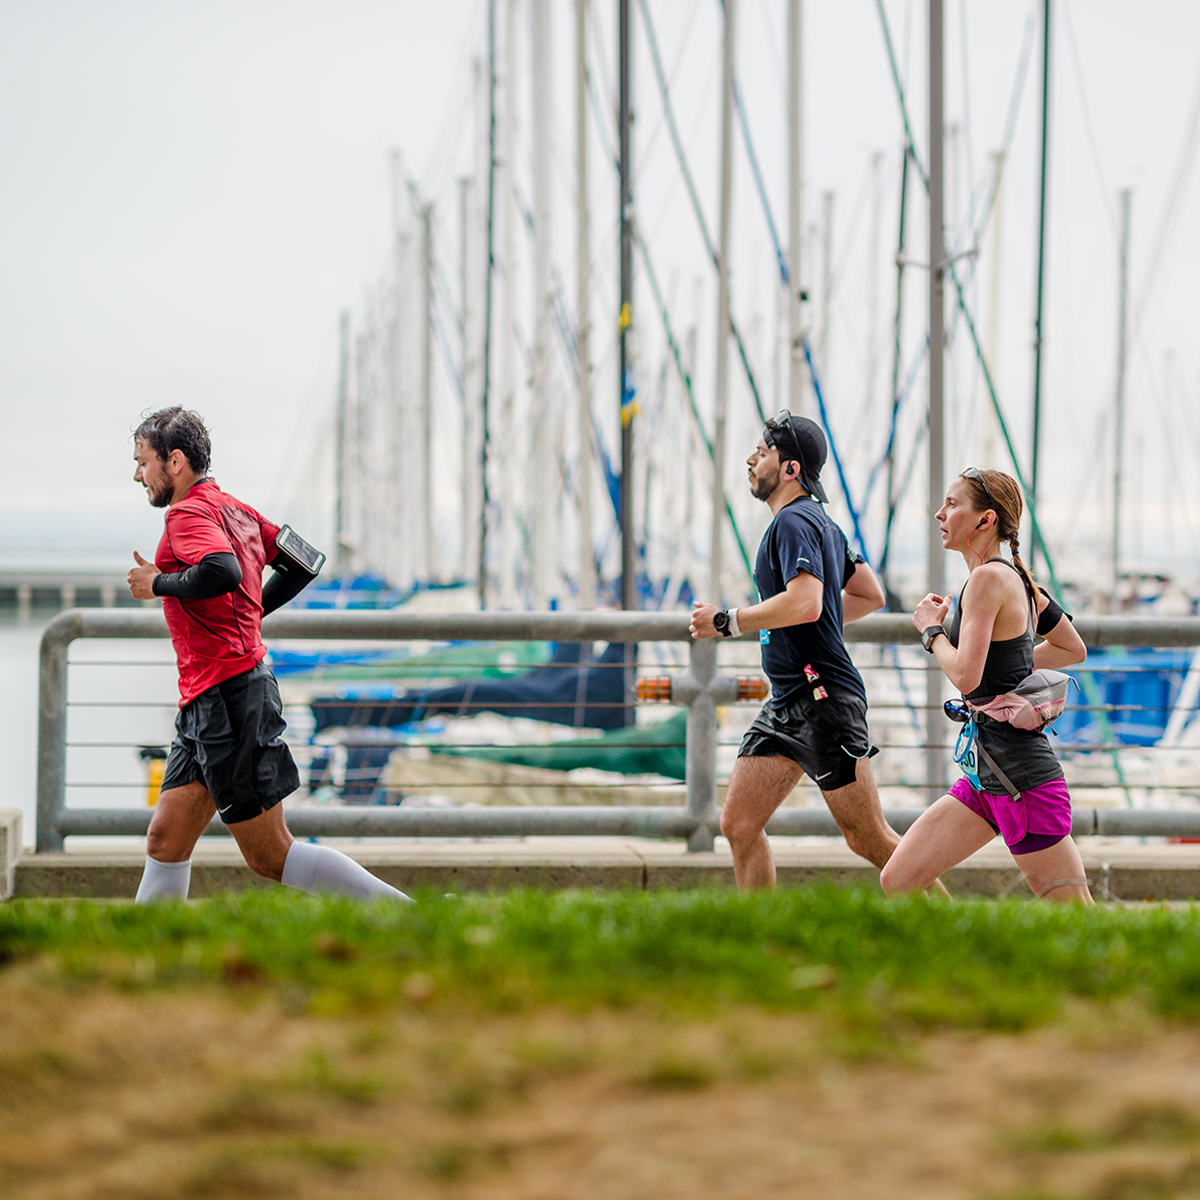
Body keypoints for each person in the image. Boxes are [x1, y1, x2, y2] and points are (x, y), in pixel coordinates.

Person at [127, 406, 412, 904]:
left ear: (174, 462)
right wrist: (252, 611)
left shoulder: (187, 514)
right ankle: (147, 957)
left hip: (229, 700)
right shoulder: (235, 509)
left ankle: (409, 915)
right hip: (207, 700)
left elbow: (222, 570)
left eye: (142, 461)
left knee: (270, 855)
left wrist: (157, 583)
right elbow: (307, 561)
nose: (137, 474)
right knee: (165, 840)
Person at [690, 411, 904, 891]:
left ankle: (946, 923)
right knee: (739, 824)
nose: (751, 459)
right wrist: (819, 616)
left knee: (868, 837)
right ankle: (761, 936)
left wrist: (729, 622)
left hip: (824, 700)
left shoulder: (792, 522)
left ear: (789, 469)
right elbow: (870, 593)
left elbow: (805, 602)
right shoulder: (823, 524)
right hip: (788, 701)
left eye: (762, 452)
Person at [880, 467, 1093, 903]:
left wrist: (930, 633)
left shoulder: (987, 579)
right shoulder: (1015, 578)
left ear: (985, 519)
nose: (940, 514)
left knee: (1073, 913)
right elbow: (1072, 648)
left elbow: (965, 676)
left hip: (1022, 779)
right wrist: (1010, 666)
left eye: (953, 504)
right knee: (898, 879)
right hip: (985, 774)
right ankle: (952, 967)